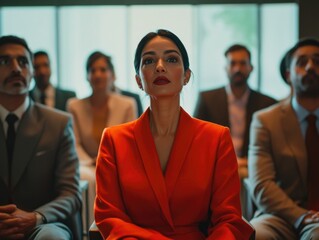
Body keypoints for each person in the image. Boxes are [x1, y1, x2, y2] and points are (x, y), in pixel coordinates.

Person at [94, 29, 254, 240]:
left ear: (186, 76)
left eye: (171, 59)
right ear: (139, 80)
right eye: (149, 61)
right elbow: (109, 217)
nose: (160, 67)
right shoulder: (114, 140)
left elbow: (229, 219)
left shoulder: (216, 139)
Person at [0, 36, 81, 239]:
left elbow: (70, 194)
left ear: (32, 72)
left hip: (42, 224)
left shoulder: (58, 123)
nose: (16, 68)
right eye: (5, 61)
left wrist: (35, 217)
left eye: (23, 61)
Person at [248, 38, 319, 239]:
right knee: (257, 234)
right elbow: (262, 185)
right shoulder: (265, 120)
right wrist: (301, 216)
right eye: (301, 62)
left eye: (317, 61)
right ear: (288, 75)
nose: (310, 67)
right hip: (278, 215)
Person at [67, 51, 137, 230]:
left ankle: (117, 228)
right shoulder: (74, 105)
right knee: (87, 177)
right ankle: (90, 229)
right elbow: (75, 143)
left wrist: (106, 161)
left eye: (103, 69)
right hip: (87, 163)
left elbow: (130, 142)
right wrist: (93, 162)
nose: (97, 74)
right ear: (87, 76)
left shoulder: (127, 104)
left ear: (113, 75)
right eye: (92, 70)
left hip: (117, 162)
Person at [194, 44, 277, 178]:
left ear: (251, 68)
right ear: (225, 68)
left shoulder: (268, 103)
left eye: (243, 63)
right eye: (232, 63)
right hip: (216, 168)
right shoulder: (207, 99)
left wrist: (249, 162)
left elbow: (273, 147)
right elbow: (197, 141)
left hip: (254, 169)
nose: (238, 68)